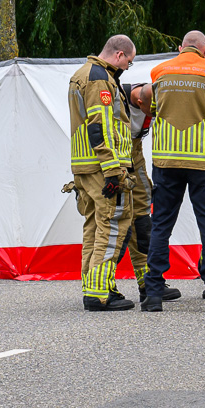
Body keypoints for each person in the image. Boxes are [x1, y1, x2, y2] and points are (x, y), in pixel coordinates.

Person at [142, 31, 205, 313]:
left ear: (180, 47)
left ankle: (153, 295)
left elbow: (150, 106)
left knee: (161, 225)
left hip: (166, 160)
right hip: (203, 161)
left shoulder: (159, 71)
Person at [68, 34, 138, 311]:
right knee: (112, 227)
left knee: (94, 227)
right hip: (103, 167)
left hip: (84, 166)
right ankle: (99, 294)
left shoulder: (81, 73)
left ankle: (95, 285)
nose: (127, 68)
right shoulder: (100, 79)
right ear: (119, 55)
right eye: (129, 63)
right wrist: (112, 170)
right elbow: (101, 126)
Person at [118, 83, 179, 303]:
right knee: (116, 221)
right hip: (113, 158)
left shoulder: (154, 99)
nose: (154, 115)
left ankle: (149, 283)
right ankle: (102, 286)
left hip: (135, 154)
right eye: (151, 110)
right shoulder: (116, 96)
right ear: (141, 102)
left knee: (143, 220)